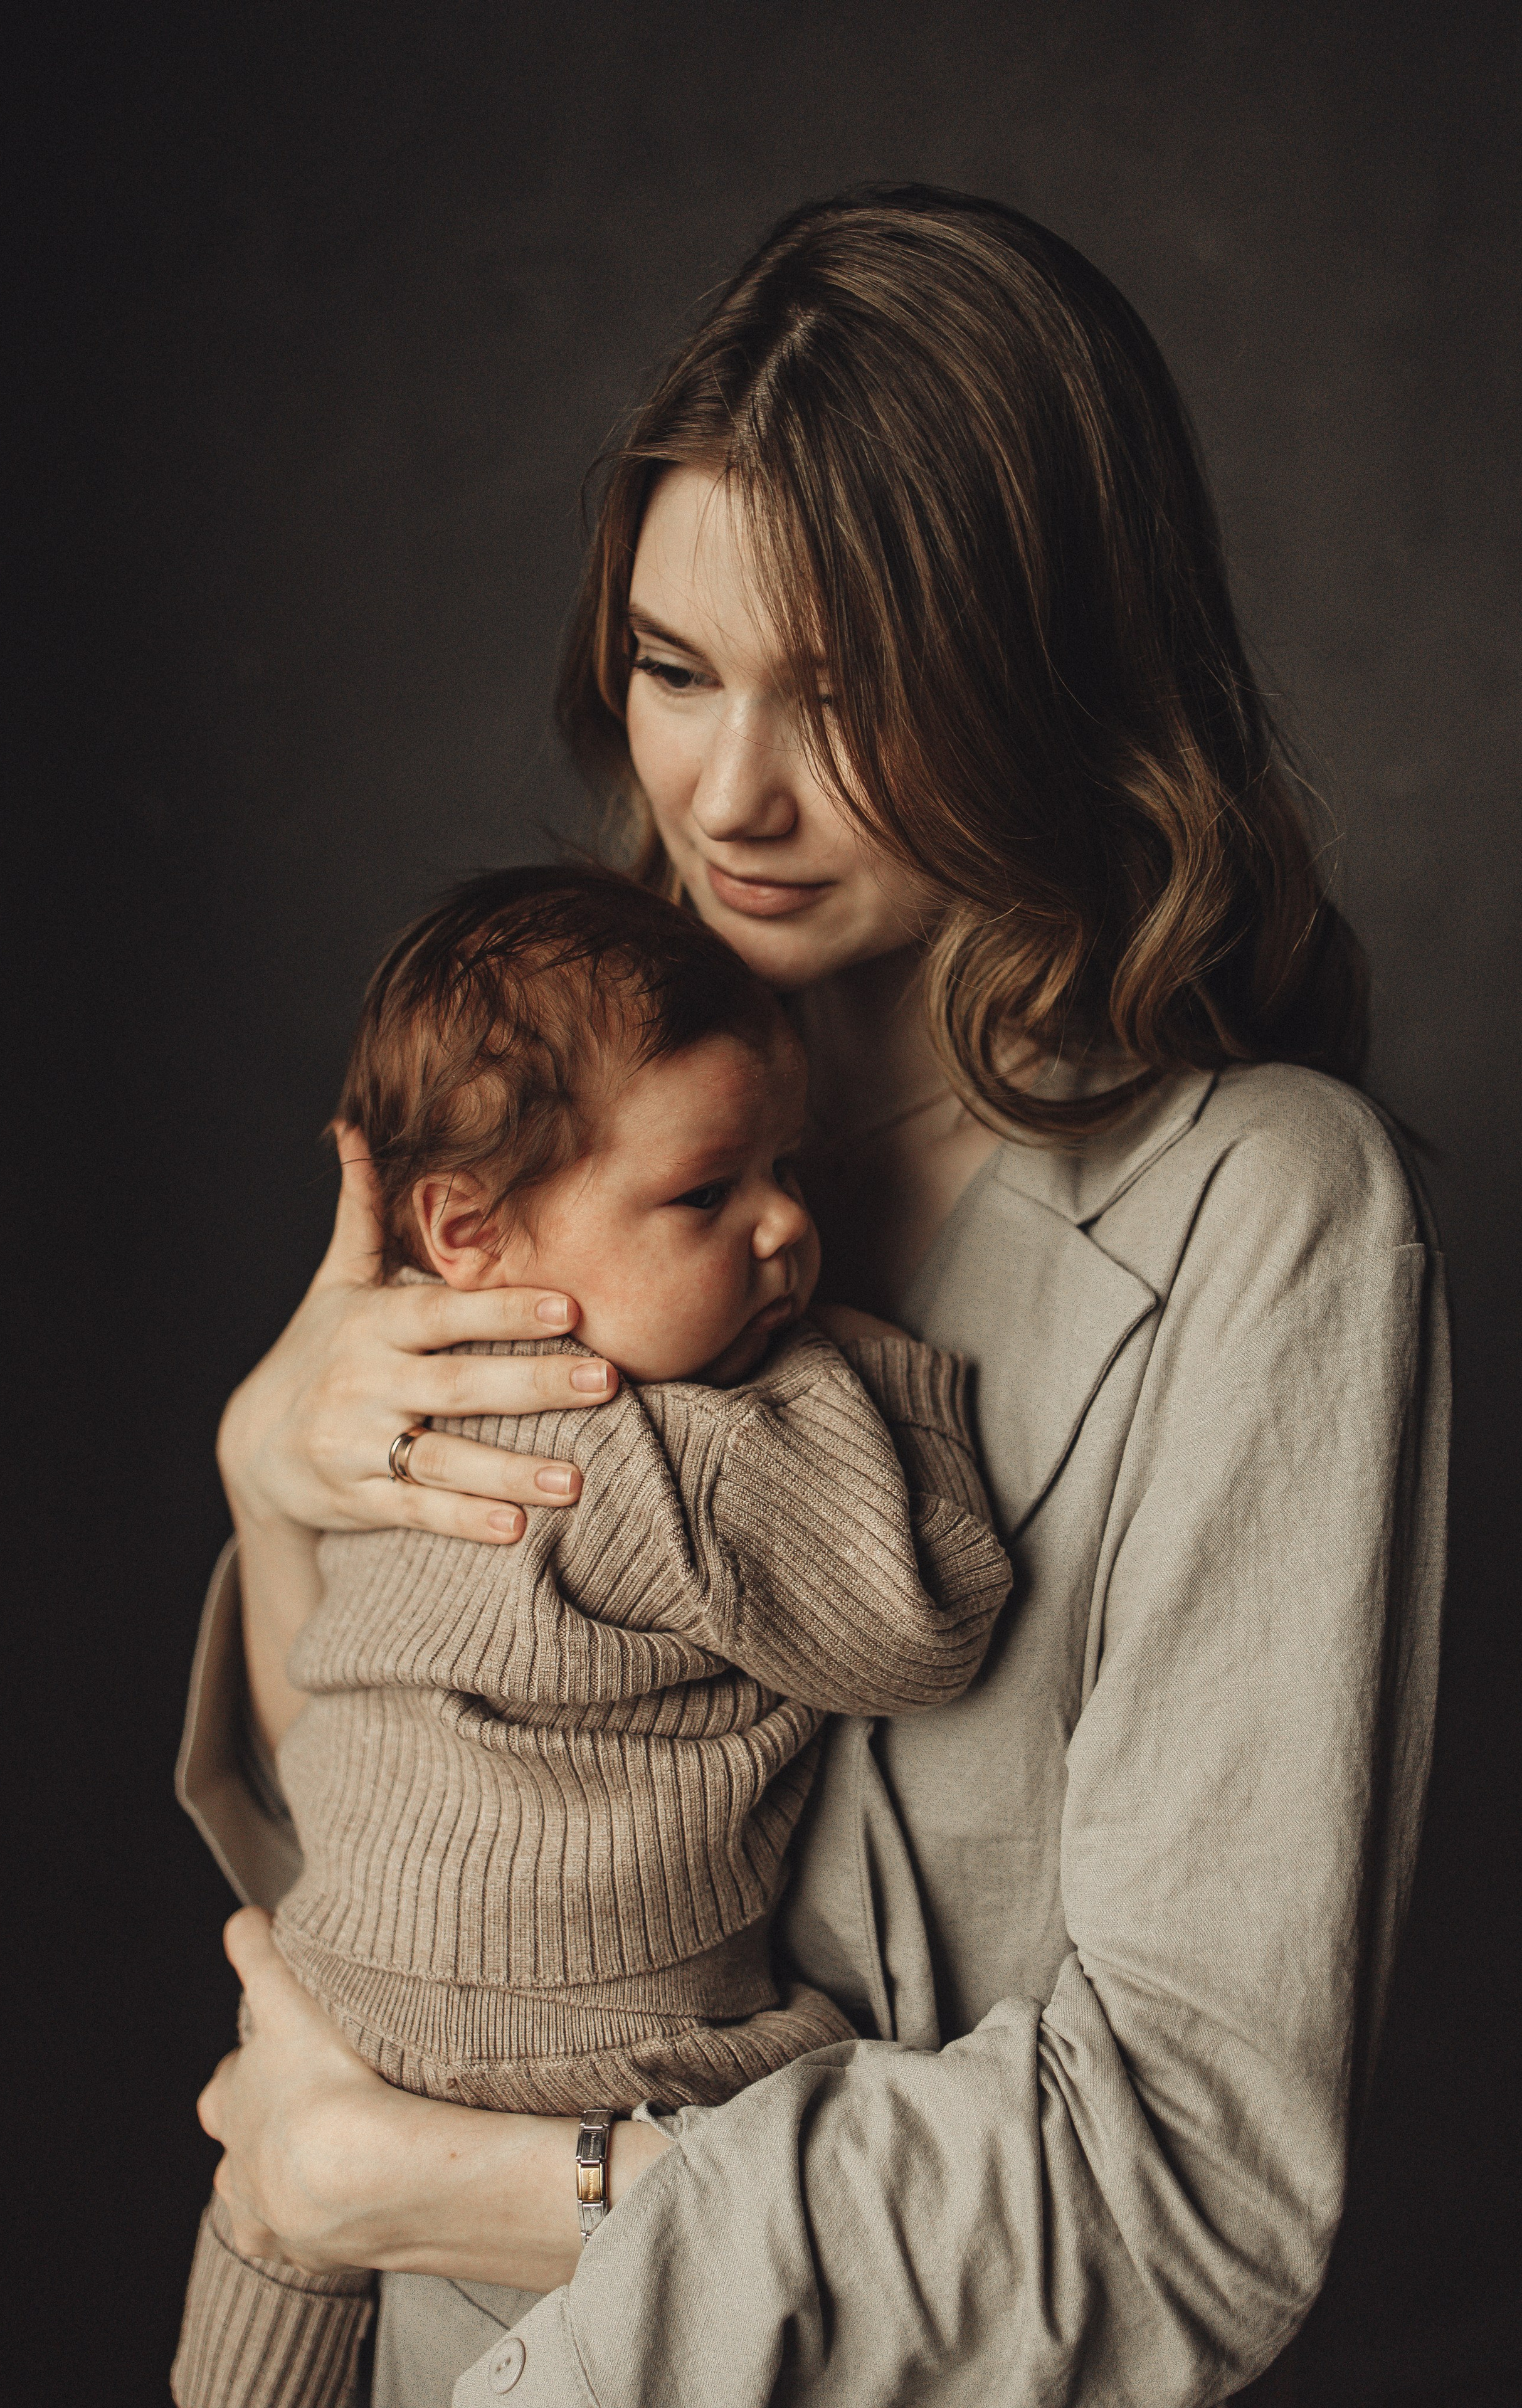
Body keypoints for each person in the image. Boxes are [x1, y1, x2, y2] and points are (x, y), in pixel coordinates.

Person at [182, 186, 1449, 2407]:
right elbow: (392, 1854)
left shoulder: (1272, 1227)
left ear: (1047, 683)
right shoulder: (546, 1121)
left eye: (852, 699)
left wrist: (423, 2179)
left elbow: (1190, 2195)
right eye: (676, 671)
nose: (730, 792)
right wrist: (274, 1481)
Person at [172, 862, 1010, 2407]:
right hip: (597, 2048)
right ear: (468, 1228)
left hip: (327, 1996)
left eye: (786, 1169)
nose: (781, 1226)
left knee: (262, 2246)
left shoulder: (383, 1400)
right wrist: (869, 1376)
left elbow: (328, 1697)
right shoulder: (664, 1456)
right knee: (777, 2186)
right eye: (707, 1193)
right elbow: (921, 1623)